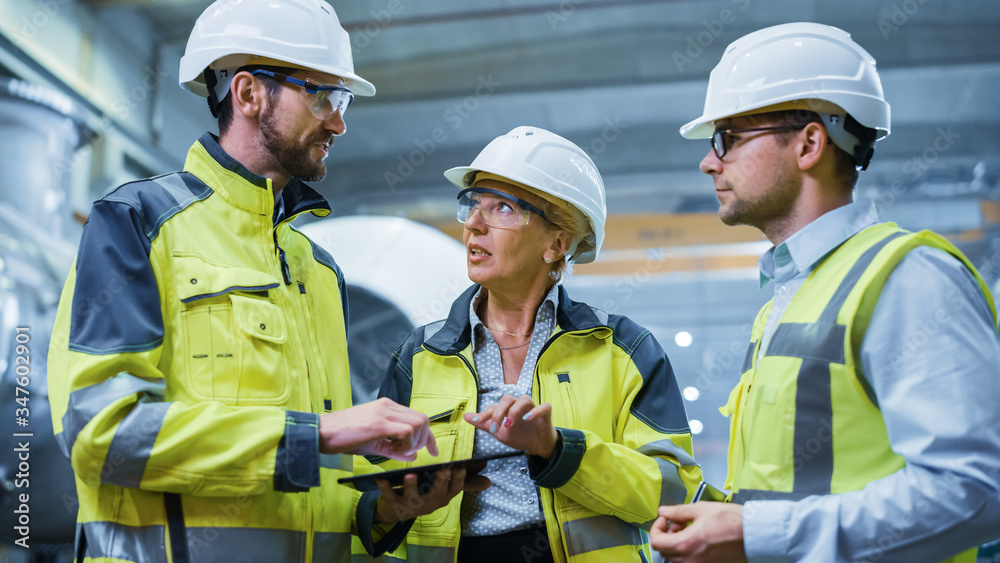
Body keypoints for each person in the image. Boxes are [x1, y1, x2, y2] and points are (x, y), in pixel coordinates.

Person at [47, 1, 476, 561]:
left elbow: (313, 488)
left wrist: (384, 508)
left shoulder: (318, 270)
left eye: (341, 99)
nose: (339, 121)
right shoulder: (138, 222)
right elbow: (102, 434)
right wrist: (317, 433)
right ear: (248, 94)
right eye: (322, 94)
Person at [650, 22, 1000, 563]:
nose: (709, 161)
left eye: (730, 138)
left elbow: (977, 489)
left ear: (810, 143)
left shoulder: (908, 280)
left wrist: (756, 534)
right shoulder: (787, 297)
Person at [370, 126, 705, 562]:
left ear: (556, 243)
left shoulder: (624, 350)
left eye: (502, 208)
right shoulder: (420, 355)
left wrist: (558, 449)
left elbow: (674, 495)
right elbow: (367, 502)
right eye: (472, 205)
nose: (473, 223)